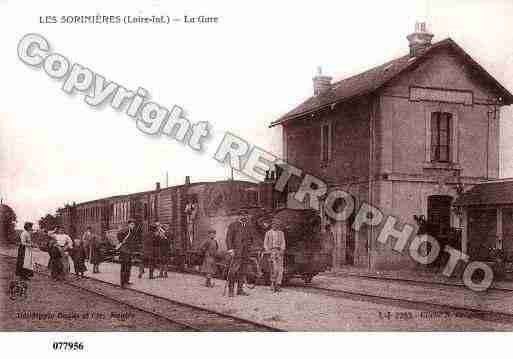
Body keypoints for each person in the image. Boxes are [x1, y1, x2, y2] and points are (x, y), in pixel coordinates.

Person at [225, 209, 255, 297]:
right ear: (239, 216)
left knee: (243, 271)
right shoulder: (233, 225)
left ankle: (240, 290)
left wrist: (250, 247)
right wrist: (230, 249)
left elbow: (251, 239)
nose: (244, 216)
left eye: (246, 215)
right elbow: (228, 238)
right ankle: (231, 290)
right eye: (242, 215)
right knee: (233, 271)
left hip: (246, 253)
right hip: (236, 252)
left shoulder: (249, 226)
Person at [264, 221, 286, 292]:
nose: (275, 226)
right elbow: (265, 243)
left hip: (279, 251)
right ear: (271, 225)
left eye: (277, 225)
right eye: (274, 225)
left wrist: (282, 250)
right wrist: (268, 250)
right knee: (274, 269)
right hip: (271, 251)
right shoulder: (268, 233)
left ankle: (278, 285)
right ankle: (272, 283)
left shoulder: (281, 233)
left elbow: (283, 242)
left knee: (280, 269)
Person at [117, 220, 140, 288]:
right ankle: (123, 283)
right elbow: (119, 234)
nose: (133, 226)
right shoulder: (126, 230)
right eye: (132, 224)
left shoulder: (131, 231)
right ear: (129, 224)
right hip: (124, 251)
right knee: (124, 267)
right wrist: (121, 241)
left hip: (129, 251)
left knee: (128, 266)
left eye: (134, 225)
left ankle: (126, 281)